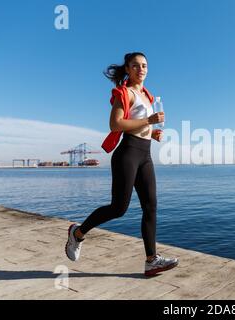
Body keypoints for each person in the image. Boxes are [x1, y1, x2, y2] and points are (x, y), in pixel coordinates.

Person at [65, 52, 178, 277]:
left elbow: (138, 124)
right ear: (127, 69)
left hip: (145, 154)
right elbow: (115, 124)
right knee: (119, 208)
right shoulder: (124, 93)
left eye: (144, 65)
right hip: (127, 153)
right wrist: (148, 121)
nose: (141, 69)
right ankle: (77, 233)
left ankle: (151, 260)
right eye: (135, 65)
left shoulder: (147, 95)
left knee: (151, 206)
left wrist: (151, 132)